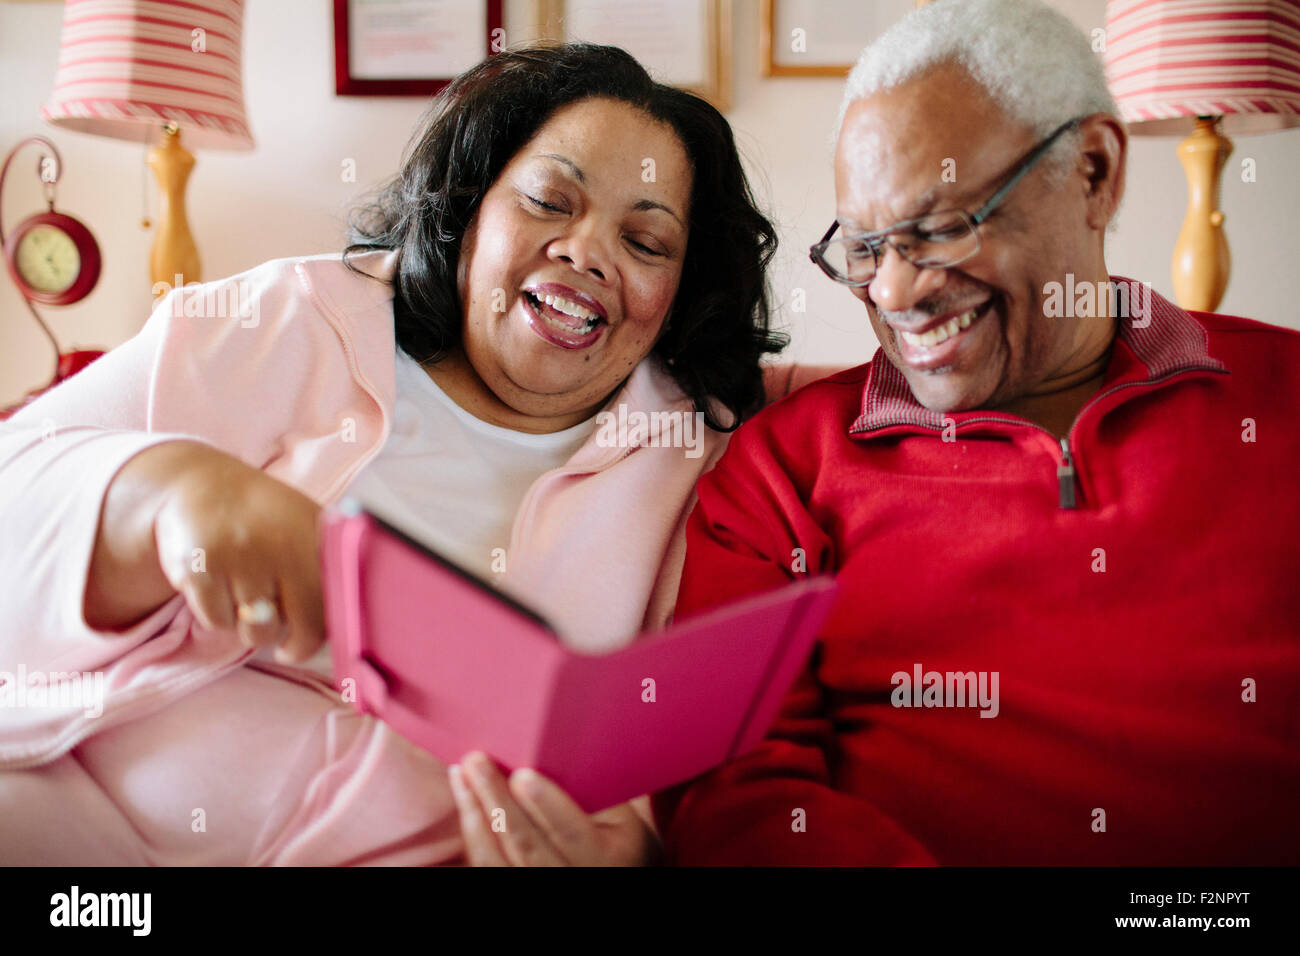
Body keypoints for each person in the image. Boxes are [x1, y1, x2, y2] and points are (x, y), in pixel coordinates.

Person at [0, 43, 819, 866]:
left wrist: (628, 850)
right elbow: (16, 484)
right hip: (82, 813)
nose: (588, 251)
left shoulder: (704, 453)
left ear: (680, 296)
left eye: (646, 242)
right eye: (547, 201)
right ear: (471, 208)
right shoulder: (289, 320)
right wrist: (165, 495)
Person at [653, 0, 1300, 865]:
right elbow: (727, 781)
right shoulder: (784, 472)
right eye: (865, 248)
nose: (894, 293)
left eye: (941, 229)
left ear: (1095, 173)